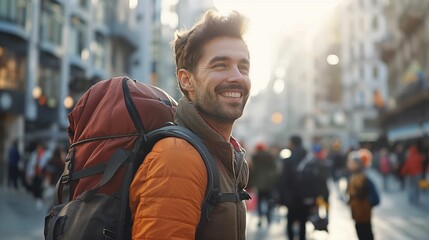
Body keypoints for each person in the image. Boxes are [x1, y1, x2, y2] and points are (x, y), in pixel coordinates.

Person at [129, 10, 251, 239]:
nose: (237, 76)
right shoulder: (178, 157)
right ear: (187, 80)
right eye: (220, 65)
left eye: (243, 67)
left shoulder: (221, 153)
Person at [278, 135, 311, 240]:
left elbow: (284, 179)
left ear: (292, 143)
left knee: (290, 220)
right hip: (305, 196)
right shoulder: (308, 158)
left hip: (291, 196)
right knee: (303, 221)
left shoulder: (289, 159)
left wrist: (281, 197)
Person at [347, 150, 380, 240]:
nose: (349, 164)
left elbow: (375, 198)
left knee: (366, 234)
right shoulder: (354, 177)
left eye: (351, 162)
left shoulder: (363, 178)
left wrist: (366, 204)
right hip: (358, 214)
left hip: (363, 214)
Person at [250, 143, 279, 227]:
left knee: (259, 201)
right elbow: (275, 169)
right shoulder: (270, 156)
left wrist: (251, 182)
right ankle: (268, 215)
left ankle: (260, 217)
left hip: (259, 183)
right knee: (269, 199)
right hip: (269, 183)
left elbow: (252, 170)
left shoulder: (254, 157)